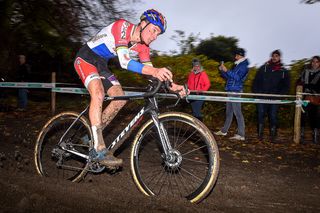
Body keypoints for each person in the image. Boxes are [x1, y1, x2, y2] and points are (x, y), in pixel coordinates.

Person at [73, 9, 188, 167]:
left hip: (101, 64)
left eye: (158, 34)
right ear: (142, 24)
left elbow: (153, 74)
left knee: (120, 98)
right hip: (86, 58)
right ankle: (98, 148)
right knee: (98, 93)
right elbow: (125, 62)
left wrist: (173, 86)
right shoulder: (123, 27)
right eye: (154, 30)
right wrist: (155, 70)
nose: (154, 36)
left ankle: (91, 136)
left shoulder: (143, 47)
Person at [252, 49, 290, 143]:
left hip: (275, 98)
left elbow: (286, 86)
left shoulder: (283, 71)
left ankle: (273, 136)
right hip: (262, 96)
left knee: (273, 116)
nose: (274, 57)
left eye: (276, 56)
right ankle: (260, 135)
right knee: (260, 114)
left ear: (279, 57)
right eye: (273, 55)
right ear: (271, 57)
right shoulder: (263, 68)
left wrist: (280, 95)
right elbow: (255, 82)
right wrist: (257, 93)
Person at [214, 48, 249, 141]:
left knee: (237, 113)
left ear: (241, 55)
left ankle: (241, 134)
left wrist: (227, 70)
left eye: (237, 55)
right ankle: (224, 130)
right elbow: (229, 78)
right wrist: (222, 70)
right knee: (229, 112)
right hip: (230, 90)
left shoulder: (244, 66)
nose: (235, 57)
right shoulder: (237, 65)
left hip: (236, 91)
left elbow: (238, 78)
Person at [297, 56, 320, 144]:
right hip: (303, 97)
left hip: (315, 98)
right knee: (302, 114)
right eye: (313, 61)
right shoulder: (305, 71)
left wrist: (308, 86)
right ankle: (301, 135)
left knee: (313, 116)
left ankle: (314, 135)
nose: (314, 63)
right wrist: (306, 87)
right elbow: (299, 83)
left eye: (317, 62)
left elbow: (318, 87)